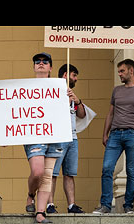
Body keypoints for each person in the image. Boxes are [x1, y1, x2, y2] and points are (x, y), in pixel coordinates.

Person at [93, 58, 134, 215]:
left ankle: (128, 205)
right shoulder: (117, 90)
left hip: (133, 133)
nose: (119, 74)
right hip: (115, 134)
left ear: (131, 71)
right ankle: (105, 205)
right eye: (118, 71)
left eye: (122, 71)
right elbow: (110, 113)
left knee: (131, 170)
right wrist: (104, 133)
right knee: (107, 168)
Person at [23, 52, 64, 224]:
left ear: (50, 67)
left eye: (45, 61)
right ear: (33, 67)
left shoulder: (60, 87)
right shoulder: (25, 88)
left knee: (47, 175)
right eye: (37, 62)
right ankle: (31, 194)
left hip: (54, 134)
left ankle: (40, 213)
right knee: (38, 171)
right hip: (34, 134)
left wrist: (71, 98)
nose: (41, 63)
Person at [47, 63, 87, 215]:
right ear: (65, 75)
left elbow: (81, 114)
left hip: (73, 137)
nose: (75, 79)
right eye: (74, 75)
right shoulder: (53, 91)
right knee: (54, 173)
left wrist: (77, 101)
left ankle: (71, 205)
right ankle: (50, 203)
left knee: (70, 173)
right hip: (58, 136)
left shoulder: (72, 96)